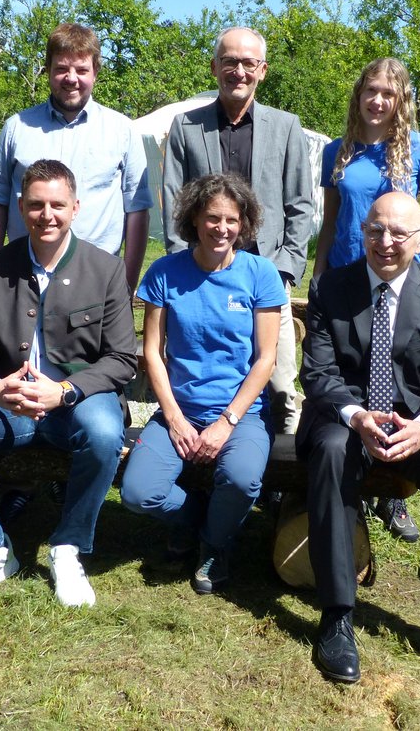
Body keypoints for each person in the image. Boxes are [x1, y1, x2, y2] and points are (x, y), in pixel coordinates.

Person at [0, 159, 137, 608]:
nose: (46, 215)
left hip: (75, 402)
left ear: (76, 207)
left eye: (57, 205)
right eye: (36, 205)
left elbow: (121, 358)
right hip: (4, 403)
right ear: (20, 207)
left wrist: (65, 391)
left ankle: (68, 547)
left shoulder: (106, 269)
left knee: (105, 433)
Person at [299, 191, 420, 694]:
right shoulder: (330, 288)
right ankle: (337, 616)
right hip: (349, 416)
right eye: (375, 229)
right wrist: (357, 416)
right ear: (362, 232)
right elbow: (317, 372)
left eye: (399, 233)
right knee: (333, 450)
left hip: (417, 422)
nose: (385, 242)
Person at [122, 173, 285, 593]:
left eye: (232, 219)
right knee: (138, 494)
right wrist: (175, 419)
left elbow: (266, 359)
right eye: (212, 218)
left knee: (243, 478)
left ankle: (215, 544)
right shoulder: (164, 273)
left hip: (241, 413)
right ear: (193, 218)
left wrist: (227, 422)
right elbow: (152, 353)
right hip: (181, 409)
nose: (222, 228)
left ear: (244, 223)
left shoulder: (260, 274)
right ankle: (195, 519)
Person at [314, 57, 420, 544]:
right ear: (359, 94)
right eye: (370, 90)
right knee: (348, 380)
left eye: (388, 94)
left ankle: (394, 492)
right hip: (348, 286)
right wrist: (319, 278)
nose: (377, 100)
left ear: (401, 100)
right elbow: (330, 224)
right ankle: (348, 484)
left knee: (398, 382)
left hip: (400, 284)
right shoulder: (339, 150)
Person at [162, 26, 313, 437]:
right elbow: (174, 204)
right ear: (215, 67)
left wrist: (283, 271)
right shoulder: (185, 128)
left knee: (281, 386)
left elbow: (301, 205)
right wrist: (185, 270)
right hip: (201, 279)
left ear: (263, 70)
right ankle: (203, 476)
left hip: (265, 278)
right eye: (230, 61)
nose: (239, 71)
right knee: (204, 383)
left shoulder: (286, 127)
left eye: (249, 63)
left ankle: (281, 492)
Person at [0, 22, 152, 291]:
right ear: (47, 70)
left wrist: (126, 287)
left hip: (97, 281)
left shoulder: (123, 130)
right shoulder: (17, 128)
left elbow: (137, 212)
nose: (71, 78)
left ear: (96, 72)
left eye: (82, 69)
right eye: (61, 68)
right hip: (22, 279)